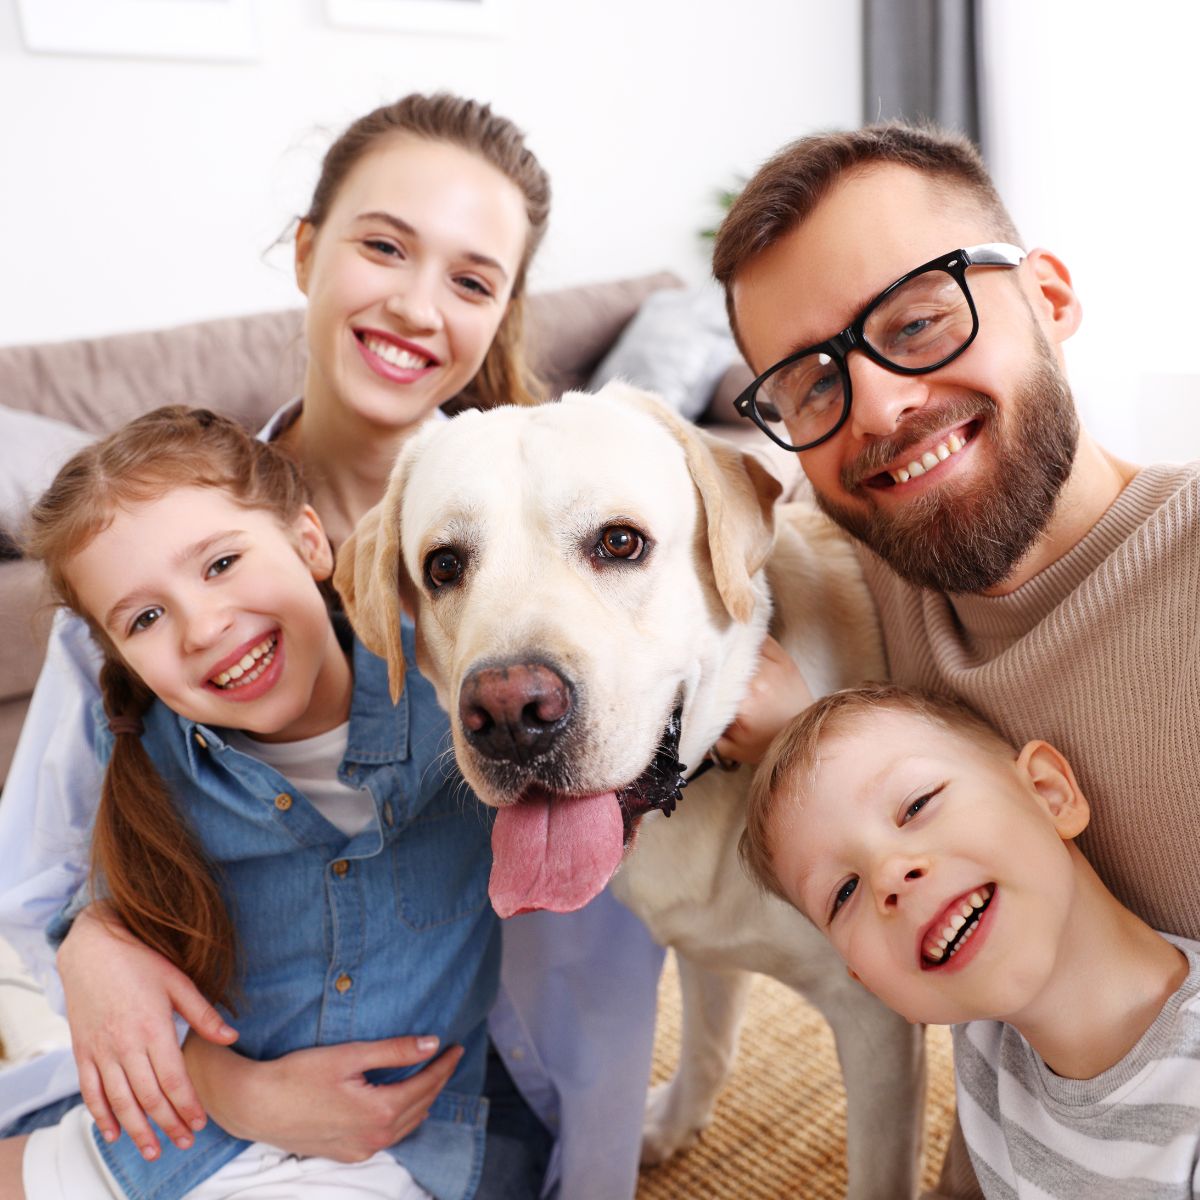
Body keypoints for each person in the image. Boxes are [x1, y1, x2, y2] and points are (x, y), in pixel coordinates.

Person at [0, 93, 663, 1199]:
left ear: (501, 314)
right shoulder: (147, 557)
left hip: (461, 1113)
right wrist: (93, 949)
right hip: (223, 1083)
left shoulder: (571, 562)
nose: (414, 304)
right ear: (309, 250)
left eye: (470, 278)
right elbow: (44, 881)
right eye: (384, 246)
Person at [710, 121, 1200, 1198]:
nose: (880, 407)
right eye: (810, 385)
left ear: (1052, 298)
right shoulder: (870, 567)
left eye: (920, 321)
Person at [8, 405, 500, 1199]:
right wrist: (88, 936)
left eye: (220, 563)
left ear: (310, 541)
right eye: (145, 617)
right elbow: (107, 924)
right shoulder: (146, 759)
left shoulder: (451, 693)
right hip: (182, 1130)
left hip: (391, 1148)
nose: (202, 627)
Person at [739, 682, 1200, 1198]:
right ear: (867, 979)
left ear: (1049, 794)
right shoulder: (985, 1043)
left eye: (916, 807)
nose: (889, 876)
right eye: (844, 893)